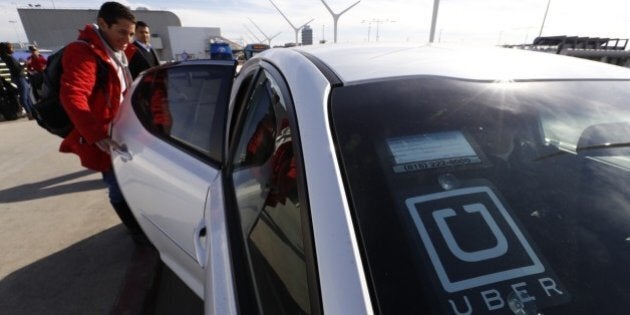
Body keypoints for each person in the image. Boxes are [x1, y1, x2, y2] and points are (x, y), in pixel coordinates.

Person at [59, 2, 147, 245]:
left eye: (131, 33)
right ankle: (136, 232)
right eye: (122, 32)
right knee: (116, 185)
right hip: (105, 136)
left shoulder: (118, 53)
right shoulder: (83, 52)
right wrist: (96, 134)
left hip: (123, 130)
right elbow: (73, 94)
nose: (127, 39)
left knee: (129, 180)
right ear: (102, 24)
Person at [0, 42, 34, 119]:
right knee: (25, 97)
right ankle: (30, 113)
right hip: (20, 77)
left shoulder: (6, 57)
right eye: (11, 47)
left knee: (27, 96)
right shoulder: (10, 58)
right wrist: (25, 64)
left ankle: (32, 112)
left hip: (18, 78)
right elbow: (17, 70)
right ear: (7, 49)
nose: (13, 49)